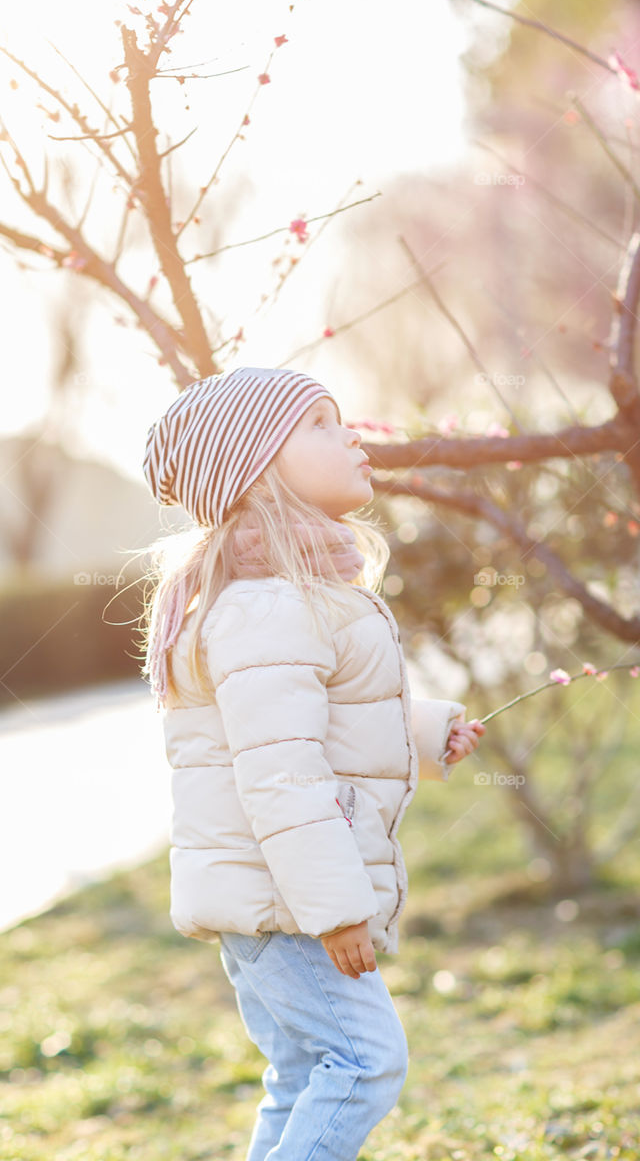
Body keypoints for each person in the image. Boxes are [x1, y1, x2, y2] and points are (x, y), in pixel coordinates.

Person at [139, 365, 486, 1161]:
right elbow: (281, 776)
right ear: (258, 467)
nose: (351, 435)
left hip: (274, 895)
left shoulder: (287, 590)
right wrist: (336, 910)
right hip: (289, 902)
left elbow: (308, 724)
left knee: (301, 1074)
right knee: (364, 1064)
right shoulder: (267, 604)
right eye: (320, 425)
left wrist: (425, 734)